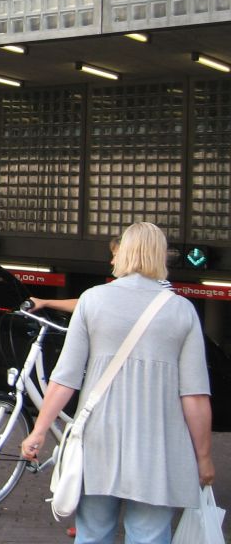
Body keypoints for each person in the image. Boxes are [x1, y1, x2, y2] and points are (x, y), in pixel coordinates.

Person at [20, 222, 213, 544]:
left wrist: (39, 431)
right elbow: (194, 395)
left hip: (99, 442)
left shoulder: (93, 301)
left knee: (93, 534)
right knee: (149, 537)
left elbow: (65, 378)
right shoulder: (182, 310)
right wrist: (204, 457)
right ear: (159, 255)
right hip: (159, 448)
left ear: (123, 253)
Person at [30, 237, 121, 315]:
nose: (112, 262)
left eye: (115, 256)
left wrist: (44, 303)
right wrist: (44, 302)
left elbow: (86, 304)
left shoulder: (115, 289)